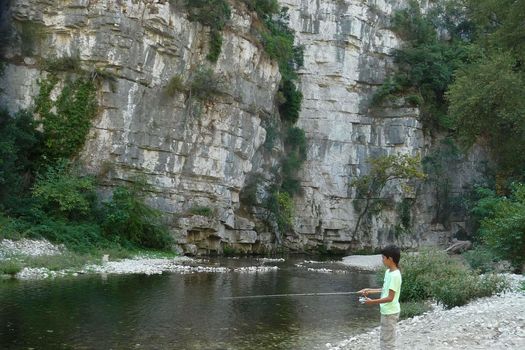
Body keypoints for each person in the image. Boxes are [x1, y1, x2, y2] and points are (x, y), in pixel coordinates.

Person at [358, 245, 402, 350]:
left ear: (390, 259)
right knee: (384, 340)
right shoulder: (388, 272)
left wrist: (372, 302)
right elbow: (385, 290)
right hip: (386, 311)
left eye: (383, 258)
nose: (382, 260)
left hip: (390, 313)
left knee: (388, 343)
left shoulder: (395, 275)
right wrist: (369, 290)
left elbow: (390, 297)